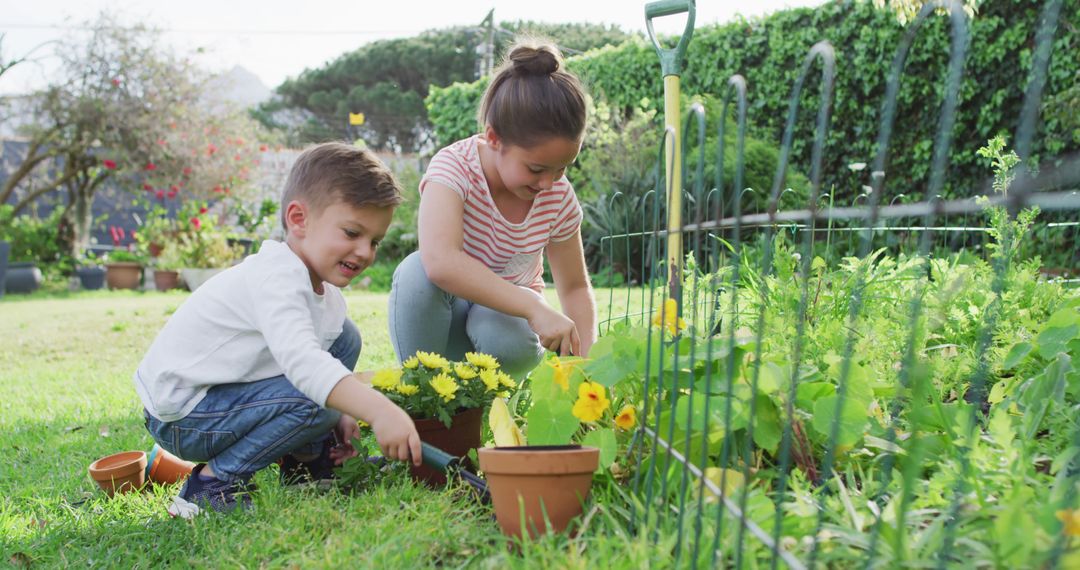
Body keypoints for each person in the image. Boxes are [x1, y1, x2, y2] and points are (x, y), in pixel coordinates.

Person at [134, 142, 422, 518]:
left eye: (375, 241)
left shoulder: (326, 295)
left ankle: (307, 465)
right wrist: (380, 412)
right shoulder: (277, 278)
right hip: (184, 416)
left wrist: (342, 417)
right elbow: (304, 367)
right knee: (318, 400)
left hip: (218, 399)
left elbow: (316, 359)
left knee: (344, 337)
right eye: (352, 232)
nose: (366, 252)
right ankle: (210, 485)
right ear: (299, 219)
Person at [388, 39, 597, 378]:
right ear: (494, 138)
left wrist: (587, 366)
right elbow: (441, 262)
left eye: (562, 168)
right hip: (445, 324)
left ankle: (490, 397)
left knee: (501, 328)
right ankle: (424, 388)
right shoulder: (453, 169)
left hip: (503, 333)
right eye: (536, 168)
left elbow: (574, 286)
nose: (549, 183)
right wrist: (532, 305)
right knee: (416, 274)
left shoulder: (557, 195)